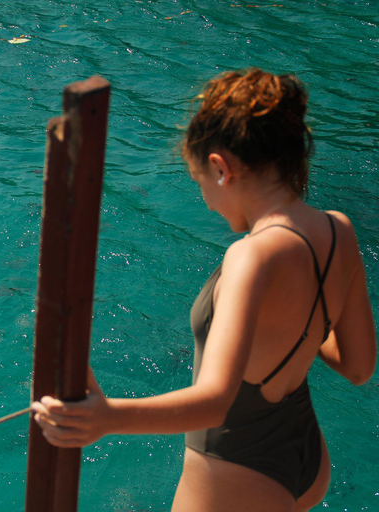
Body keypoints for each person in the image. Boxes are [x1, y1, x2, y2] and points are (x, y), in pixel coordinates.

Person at [31, 68, 376, 511]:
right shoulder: (338, 230)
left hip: (236, 470)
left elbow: (214, 403)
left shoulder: (250, 257)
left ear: (219, 168)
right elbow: (359, 366)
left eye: (199, 183)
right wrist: (301, 325)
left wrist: (107, 418)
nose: (206, 202)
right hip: (305, 454)